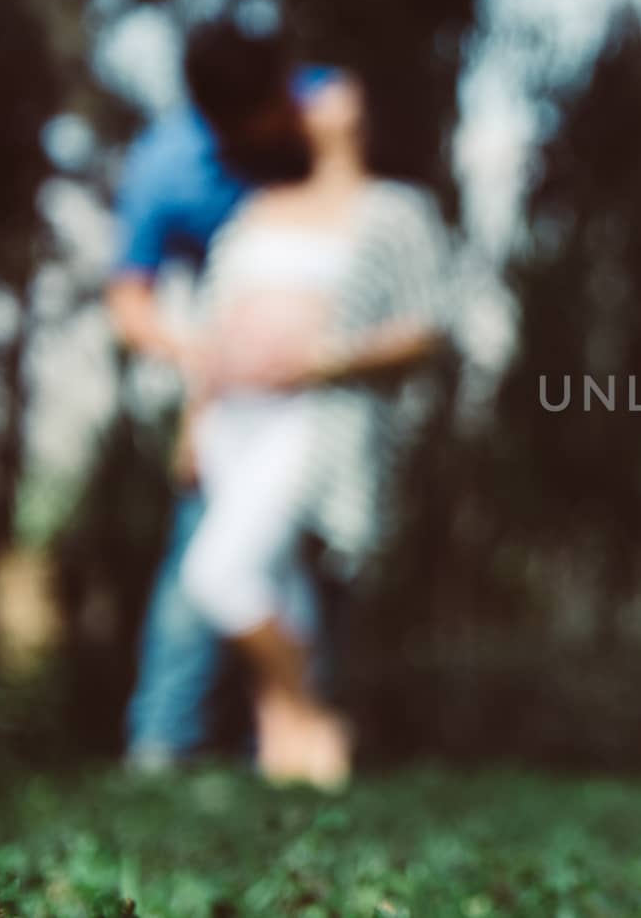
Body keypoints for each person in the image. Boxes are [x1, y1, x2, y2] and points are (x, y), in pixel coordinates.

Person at [177, 66, 450, 787]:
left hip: (314, 417)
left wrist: (322, 360)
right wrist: (194, 414)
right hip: (232, 419)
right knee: (279, 586)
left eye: (328, 84)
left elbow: (426, 329)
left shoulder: (395, 211)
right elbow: (213, 319)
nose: (311, 94)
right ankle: (291, 756)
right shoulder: (257, 208)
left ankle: (313, 716)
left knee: (219, 572)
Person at [107, 21, 311, 769]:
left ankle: (293, 748)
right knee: (205, 553)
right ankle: (165, 742)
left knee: (315, 567)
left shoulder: (319, 110)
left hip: (329, 386)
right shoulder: (166, 168)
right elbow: (129, 301)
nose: (282, 117)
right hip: (234, 396)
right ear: (220, 120)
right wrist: (206, 364)